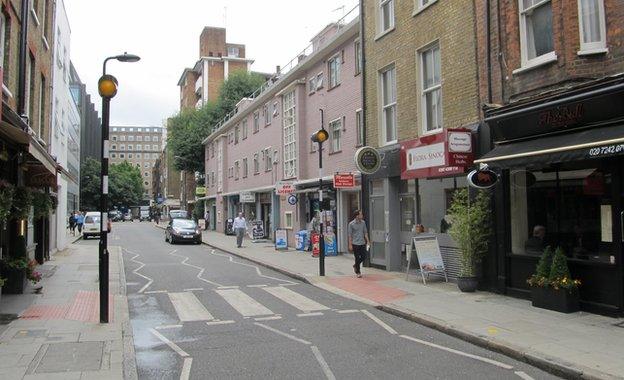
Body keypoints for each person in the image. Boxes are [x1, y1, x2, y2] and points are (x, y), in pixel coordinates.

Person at [348, 210, 370, 278]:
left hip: (362, 242)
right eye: (361, 214)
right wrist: (350, 244)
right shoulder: (351, 224)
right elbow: (350, 235)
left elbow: (365, 232)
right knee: (357, 258)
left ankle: (355, 265)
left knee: (363, 257)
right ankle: (358, 272)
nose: (362, 216)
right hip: (355, 243)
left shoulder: (363, 223)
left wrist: (368, 241)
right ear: (357, 216)